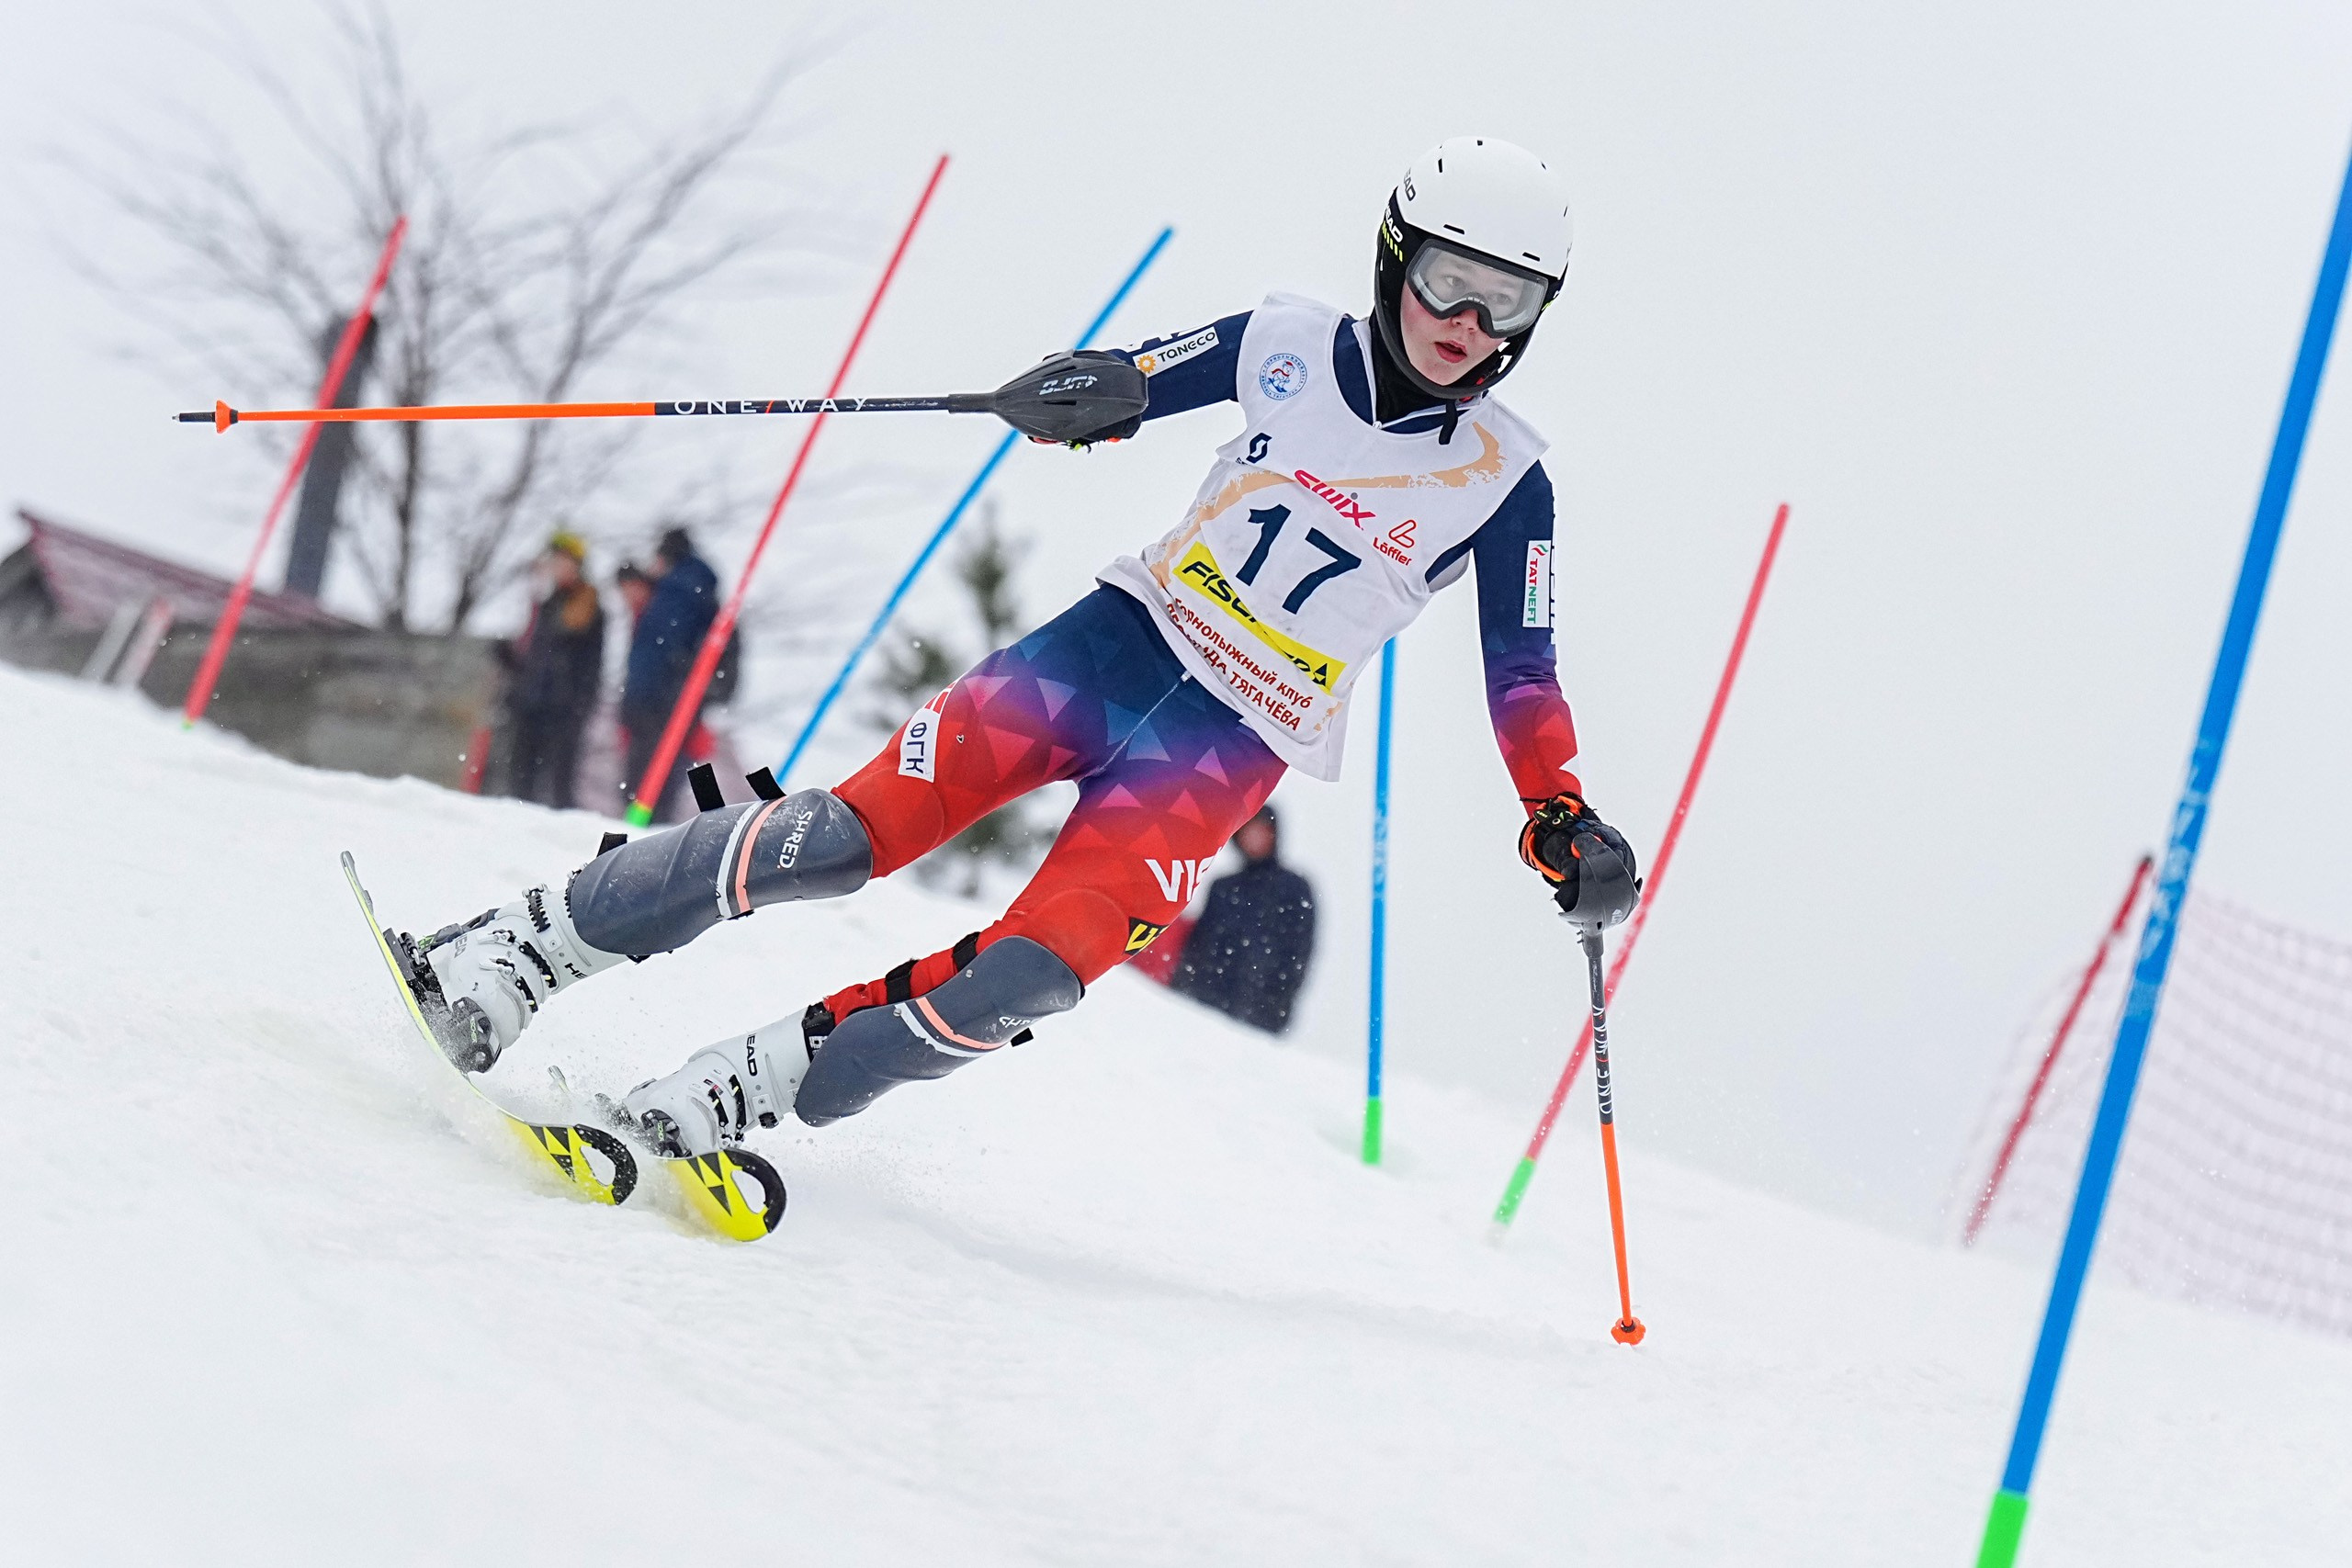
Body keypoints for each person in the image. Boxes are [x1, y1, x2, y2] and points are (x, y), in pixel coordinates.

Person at [401, 138, 1643, 1155]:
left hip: (1227, 749)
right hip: (1109, 651)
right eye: (1445, 278)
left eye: (1509, 302)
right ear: (1393, 258)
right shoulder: (1285, 337)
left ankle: (746, 1083)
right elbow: (1144, 375)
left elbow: (1522, 674)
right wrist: (1083, 394)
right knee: (837, 840)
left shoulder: (1505, 480)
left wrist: (1561, 810)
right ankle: (522, 944)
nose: (1468, 320)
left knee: (1035, 974)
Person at [1165, 806, 1317, 1035]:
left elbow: (1298, 951)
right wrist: (1185, 988)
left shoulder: (1294, 889)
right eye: (1248, 831)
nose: (1254, 838)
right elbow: (1200, 945)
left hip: (1263, 1014)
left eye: (1261, 831)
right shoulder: (1223, 888)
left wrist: (1278, 1001)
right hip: (1207, 1007)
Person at [498, 531, 605, 809]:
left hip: (564, 707)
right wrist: (511, 662)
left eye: (561, 561)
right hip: (534, 703)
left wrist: (577, 702)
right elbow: (537, 657)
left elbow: (568, 645)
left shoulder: (586, 604)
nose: (555, 567)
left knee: (559, 783)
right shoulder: (548, 605)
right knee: (521, 778)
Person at [618, 528, 718, 822]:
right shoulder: (695, 591)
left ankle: (638, 832)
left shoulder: (673, 593)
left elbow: (659, 652)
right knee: (657, 785)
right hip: (670, 702)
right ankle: (644, 828)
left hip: (657, 702)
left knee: (645, 786)